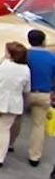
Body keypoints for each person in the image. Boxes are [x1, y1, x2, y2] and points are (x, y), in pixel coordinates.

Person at [15, 30, 55, 167]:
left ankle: (9, 145)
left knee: (16, 119)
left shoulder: (25, 55)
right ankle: (34, 156)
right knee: (38, 126)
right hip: (43, 94)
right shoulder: (51, 58)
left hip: (24, 93)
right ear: (43, 41)